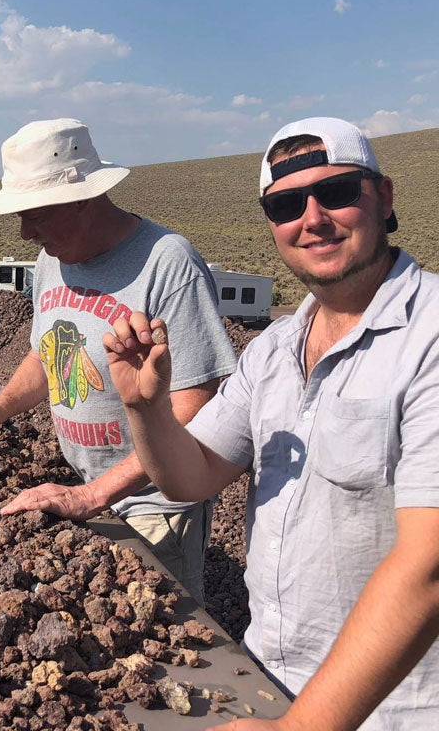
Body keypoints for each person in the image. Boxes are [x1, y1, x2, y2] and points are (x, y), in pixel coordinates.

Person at [103, 116, 439, 730]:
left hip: (391, 711)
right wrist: (145, 407)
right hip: (270, 679)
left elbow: (429, 565)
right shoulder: (274, 349)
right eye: (286, 205)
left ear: (384, 197)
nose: (312, 218)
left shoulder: (430, 338)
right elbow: (192, 477)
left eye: (336, 192)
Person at [0, 118, 236, 605]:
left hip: (154, 507)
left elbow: (196, 404)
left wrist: (95, 495)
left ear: (81, 198)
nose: (24, 232)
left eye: (35, 214)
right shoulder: (52, 259)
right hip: (86, 489)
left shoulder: (167, 263)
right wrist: (0, 407)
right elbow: (47, 353)